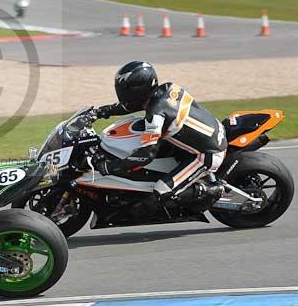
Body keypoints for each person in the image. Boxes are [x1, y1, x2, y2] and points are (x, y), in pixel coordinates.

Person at [95, 61, 227, 204]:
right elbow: (133, 105)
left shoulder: (156, 116)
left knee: (161, 191)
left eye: (124, 88)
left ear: (136, 89)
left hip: (207, 154)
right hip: (211, 131)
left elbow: (145, 155)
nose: (121, 92)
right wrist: (102, 112)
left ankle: (212, 190)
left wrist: (111, 167)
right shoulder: (168, 89)